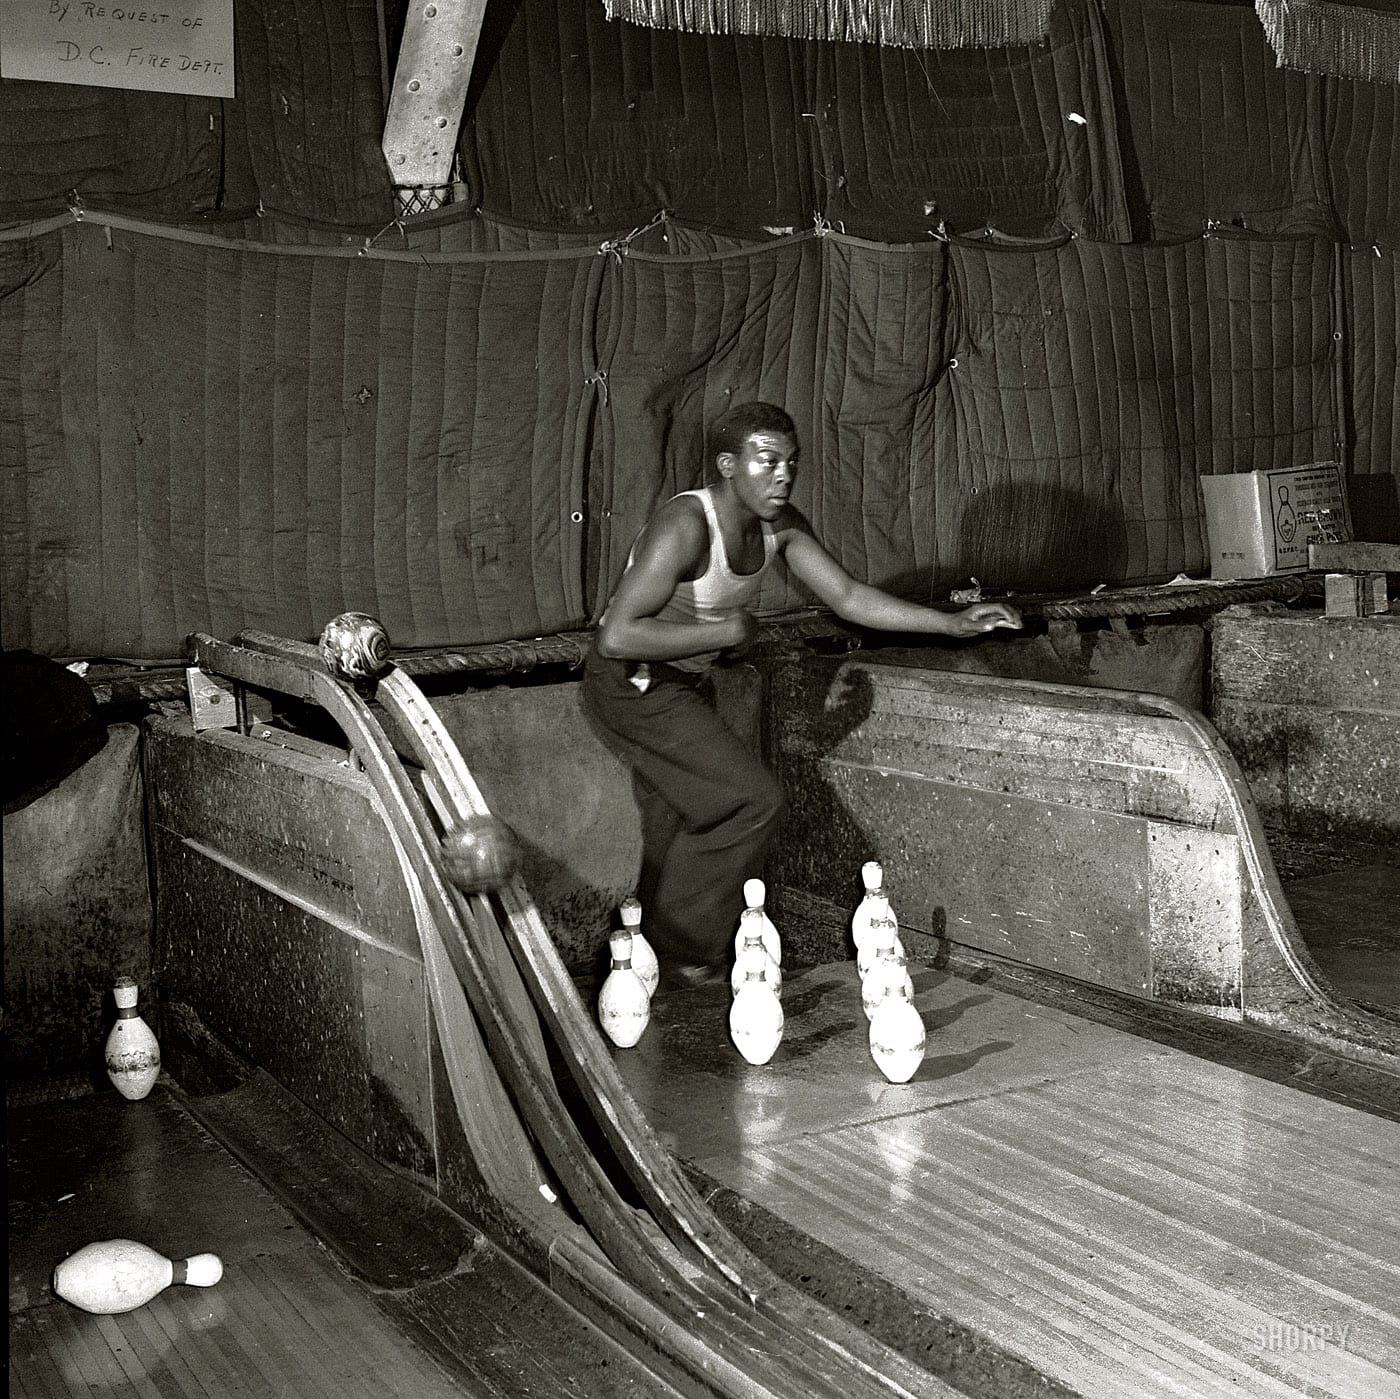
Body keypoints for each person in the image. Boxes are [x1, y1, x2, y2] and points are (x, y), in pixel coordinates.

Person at [581, 401, 1021, 989]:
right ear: (729, 465)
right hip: (630, 682)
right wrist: (726, 632)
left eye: (791, 462)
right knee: (751, 800)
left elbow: (847, 595)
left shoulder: (779, 526)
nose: (783, 476)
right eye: (767, 462)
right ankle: (686, 956)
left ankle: (649, 964)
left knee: (690, 815)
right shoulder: (687, 525)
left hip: (680, 683)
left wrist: (953, 623)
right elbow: (616, 635)